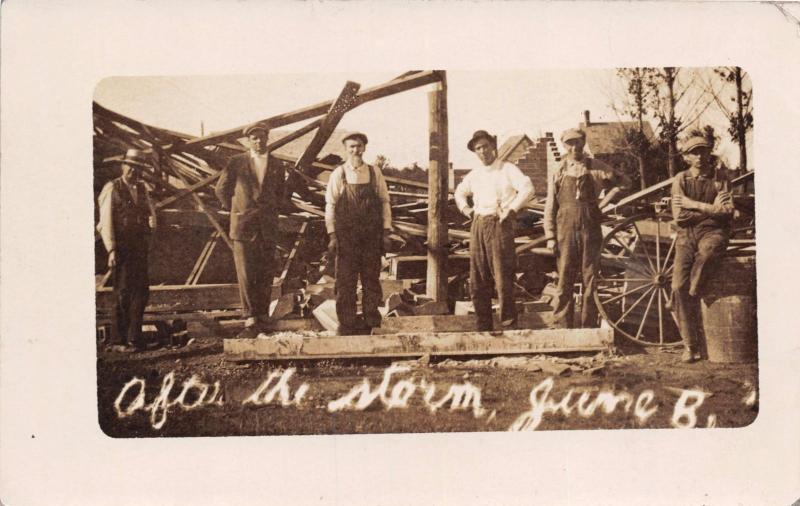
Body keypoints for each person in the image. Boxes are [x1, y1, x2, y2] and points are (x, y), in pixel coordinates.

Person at [544, 128, 631, 329]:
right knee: (564, 276)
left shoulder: (597, 167)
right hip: (565, 229)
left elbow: (625, 182)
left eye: (578, 142)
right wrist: (550, 236)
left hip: (591, 229)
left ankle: (588, 326)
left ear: (583, 143)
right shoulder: (559, 170)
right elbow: (550, 206)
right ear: (564, 146)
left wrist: (605, 202)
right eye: (570, 143)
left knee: (590, 278)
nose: (574, 147)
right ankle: (561, 327)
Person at [455, 130, 534, 332]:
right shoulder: (475, 174)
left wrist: (512, 210)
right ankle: (483, 325)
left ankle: (508, 324)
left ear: (493, 147)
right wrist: (466, 209)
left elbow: (527, 188)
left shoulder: (507, 169)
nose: (483, 152)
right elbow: (460, 192)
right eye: (478, 149)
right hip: (479, 224)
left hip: (500, 224)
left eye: (485, 146)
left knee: (502, 275)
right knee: (478, 277)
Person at [215, 123, 286, 339]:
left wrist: (271, 211)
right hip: (243, 227)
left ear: (267, 138)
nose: (258, 141)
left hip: (267, 226)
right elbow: (221, 190)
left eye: (262, 137)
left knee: (265, 273)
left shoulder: (276, 164)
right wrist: (237, 211)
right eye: (254, 138)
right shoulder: (236, 162)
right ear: (248, 141)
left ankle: (263, 317)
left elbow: (281, 193)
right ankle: (250, 318)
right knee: (246, 274)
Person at [670, 133, 733, 363]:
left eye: (703, 151)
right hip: (686, 234)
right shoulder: (681, 179)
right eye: (694, 152)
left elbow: (727, 212)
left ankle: (695, 290)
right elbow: (679, 215)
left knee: (708, 253)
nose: (699, 156)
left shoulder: (720, 178)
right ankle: (690, 345)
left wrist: (693, 204)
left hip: (713, 231)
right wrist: (710, 208)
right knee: (677, 286)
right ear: (686, 157)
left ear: (709, 153)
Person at [325, 132, 392, 335]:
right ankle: (347, 324)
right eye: (352, 147)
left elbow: (384, 202)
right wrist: (332, 235)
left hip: (371, 237)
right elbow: (330, 205)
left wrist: (386, 232)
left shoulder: (374, 173)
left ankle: (372, 322)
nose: (356, 150)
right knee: (345, 282)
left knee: (371, 280)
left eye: (359, 146)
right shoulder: (339, 174)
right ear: (346, 149)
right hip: (347, 238)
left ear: (364, 148)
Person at [97, 148, 158, 352]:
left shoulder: (142, 189)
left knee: (141, 292)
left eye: (138, 168)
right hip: (121, 248)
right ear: (123, 165)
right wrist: (112, 249)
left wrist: (151, 222)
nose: (134, 171)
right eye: (131, 166)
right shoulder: (112, 188)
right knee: (122, 292)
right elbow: (105, 222)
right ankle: (118, 341)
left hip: (139, 247)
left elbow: (151, 213)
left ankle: (135, 338)